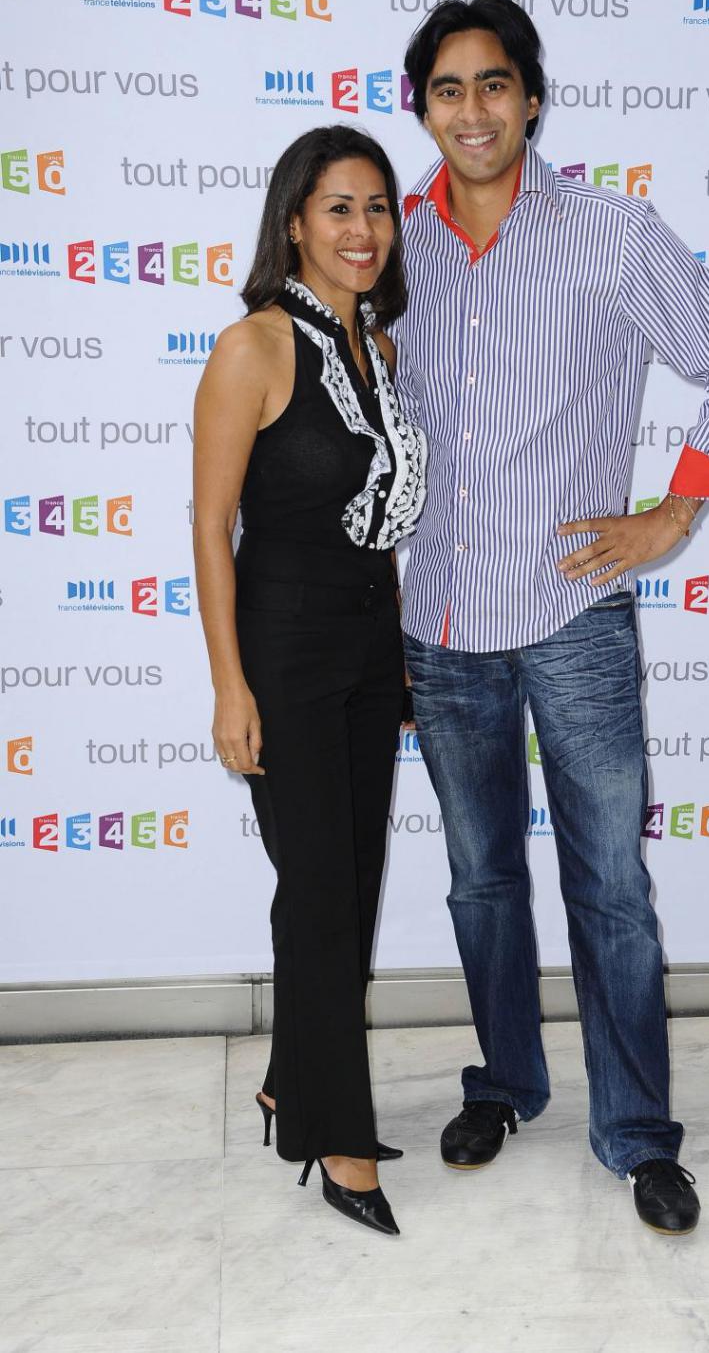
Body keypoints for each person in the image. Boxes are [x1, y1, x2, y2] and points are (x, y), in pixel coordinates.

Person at [393, 0, 709, 1236]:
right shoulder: (389, 243)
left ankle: (637, 1134)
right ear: (421, 107)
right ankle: (505, 1083)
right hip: (438, 618)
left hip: (573, 612)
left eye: (493, 84)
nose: (472, 110)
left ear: (530, 98)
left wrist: (672, 515)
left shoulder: (611, 234)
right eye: (447, 88)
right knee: (478, 881)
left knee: (609, 885)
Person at [192, 125, 426, 1238]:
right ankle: (337, 1138)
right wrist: (229, 687)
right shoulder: (255, 345)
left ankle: (294, 1079)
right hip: (282, 653)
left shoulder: (379, 348)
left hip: (370, 653)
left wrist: (398, 649)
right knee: (322, 896)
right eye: (339, 207)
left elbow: (375, 523)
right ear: (294, 221)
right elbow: (210, 525)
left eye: (377, 207)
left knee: (348, 884)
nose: (362, 229)